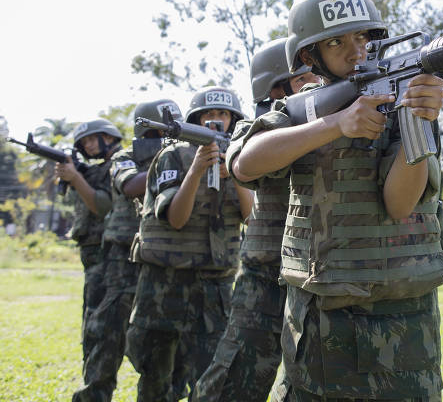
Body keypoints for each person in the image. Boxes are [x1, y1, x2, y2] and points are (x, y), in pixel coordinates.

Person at [227, 0, 443, 401]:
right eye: (337, 41)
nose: (355, 52)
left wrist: (418, 119)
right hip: (321, 329)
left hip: (405, 331)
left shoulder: (401, 98)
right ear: (310, 55)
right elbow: (244, 163)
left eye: (363, 37)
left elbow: (400, 204)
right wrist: (336, 125)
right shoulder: (303, 109)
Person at [192, 38, 319, 402]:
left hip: (319, 278)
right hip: (266, 277)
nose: (317, 82)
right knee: (232, 381)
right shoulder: (253, 129)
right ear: (274, 88)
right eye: (304, 77)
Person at [125, 87, 253, 402]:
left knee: (210, 382)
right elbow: (176, 218)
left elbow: (251, 216)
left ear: (233, 120)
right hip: (165, 286)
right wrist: (196, 170)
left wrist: (235, 174)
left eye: (223, 115)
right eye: (208, 115)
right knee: (157, 381)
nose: (216, 121)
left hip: (215, 289)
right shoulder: (172, 156)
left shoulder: (242, 159)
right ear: (195, 119)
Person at [71, 100, 185, 402]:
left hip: (161, 257)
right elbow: (130, 186)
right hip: (120, 258)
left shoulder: (182, 157)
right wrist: (170, 163)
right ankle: (94, 394)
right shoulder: (125, 157)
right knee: (106, 335)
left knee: (162, 341)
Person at [56, 119, 123, 398]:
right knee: (92, 331)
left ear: (109, 137)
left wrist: (75, 178)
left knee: (102, 332)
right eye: (84, 143)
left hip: (110, 259)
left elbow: (102, 206)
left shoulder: (120, 164)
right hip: (92, 260)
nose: (88, 146)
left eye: (93, 139)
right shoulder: (92, 171)